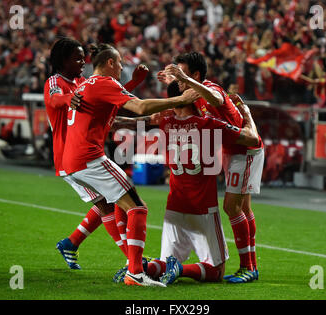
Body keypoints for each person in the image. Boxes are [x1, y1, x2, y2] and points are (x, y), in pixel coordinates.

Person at [64, 43, 199, 286]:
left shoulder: (86, 85)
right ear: (110, 63)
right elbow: (139, 105)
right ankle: (135, 272)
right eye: (120, 64)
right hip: (89, 158)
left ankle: (133, 266)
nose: (122, 70)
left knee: (122, 202)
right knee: (138, 208)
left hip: (74, 160)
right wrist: (180, 99)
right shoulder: (105, 83)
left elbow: (112, 121)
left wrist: (146, 121)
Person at [114, 80, 259, 285]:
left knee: (163, 262)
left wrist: (110, 119)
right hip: (203, 208)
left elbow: (137, 121)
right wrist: (247, 115)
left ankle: (142, 267)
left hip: (174, 208)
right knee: (216, 271)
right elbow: (252, 139)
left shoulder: (165, 123)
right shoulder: (209, 125)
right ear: (194, 98)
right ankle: (180, 269)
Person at [44, 37, 148, 270]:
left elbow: (109, 98)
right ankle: (134, 263)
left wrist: (132, 83)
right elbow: (53, 98)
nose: (83, 62)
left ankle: (72, 243)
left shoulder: (82, 82)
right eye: (77, 58)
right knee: (110, 205)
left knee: (110, 202)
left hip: (81, 154)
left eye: (84, 57)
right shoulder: (55, 81)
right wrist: (67, 98)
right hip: (70, 156)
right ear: (63, 61)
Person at [160, 52, 264, 283]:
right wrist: (173, 83)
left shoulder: (210, 88)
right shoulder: (193, 93)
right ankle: (251, 266)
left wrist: (187, 82)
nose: (178, 79)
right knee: (243, 209)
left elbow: (216, 100)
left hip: (244, 149)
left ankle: (248, 267)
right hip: (232, 148)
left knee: (231, 207)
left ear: (196, 75)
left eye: (182, 74)